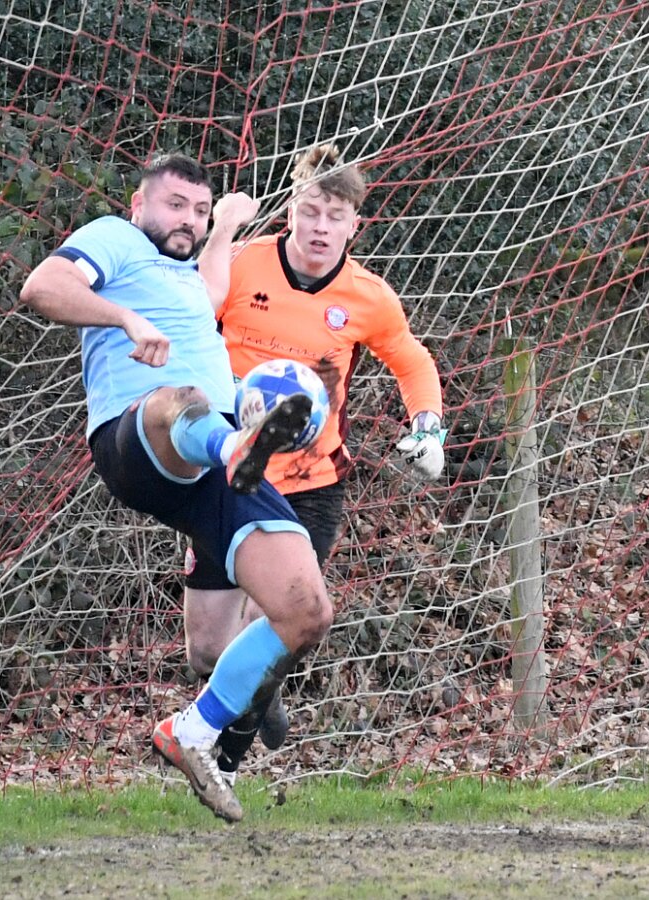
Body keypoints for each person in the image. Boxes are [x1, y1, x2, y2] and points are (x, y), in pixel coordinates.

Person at [19, 153, 333, 823]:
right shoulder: (115, 238)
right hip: (138, 438)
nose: (187, 219)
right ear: (139, 205)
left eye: (198, 210)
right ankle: (238, 446)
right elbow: (41, 285)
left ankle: (191, 731)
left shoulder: (188, 276)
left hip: (214, 462)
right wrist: (124, 319)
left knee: (305, 610)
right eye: (175, 206)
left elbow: (210, 288)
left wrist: (227, 225)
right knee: (181, 398)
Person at [187, 143, 445, 785]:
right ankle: (263, 691)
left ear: (355, 225)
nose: (320, 227)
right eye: (310, 211)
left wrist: (428, 426)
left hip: (310, 485)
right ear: (291, 213)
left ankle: (222, 769)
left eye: (335, 216)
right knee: (208, 650)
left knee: (274, 623)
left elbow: (411, 360)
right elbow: (192, 318)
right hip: (228, 475)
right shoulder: (244, 265)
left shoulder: (368, 297)